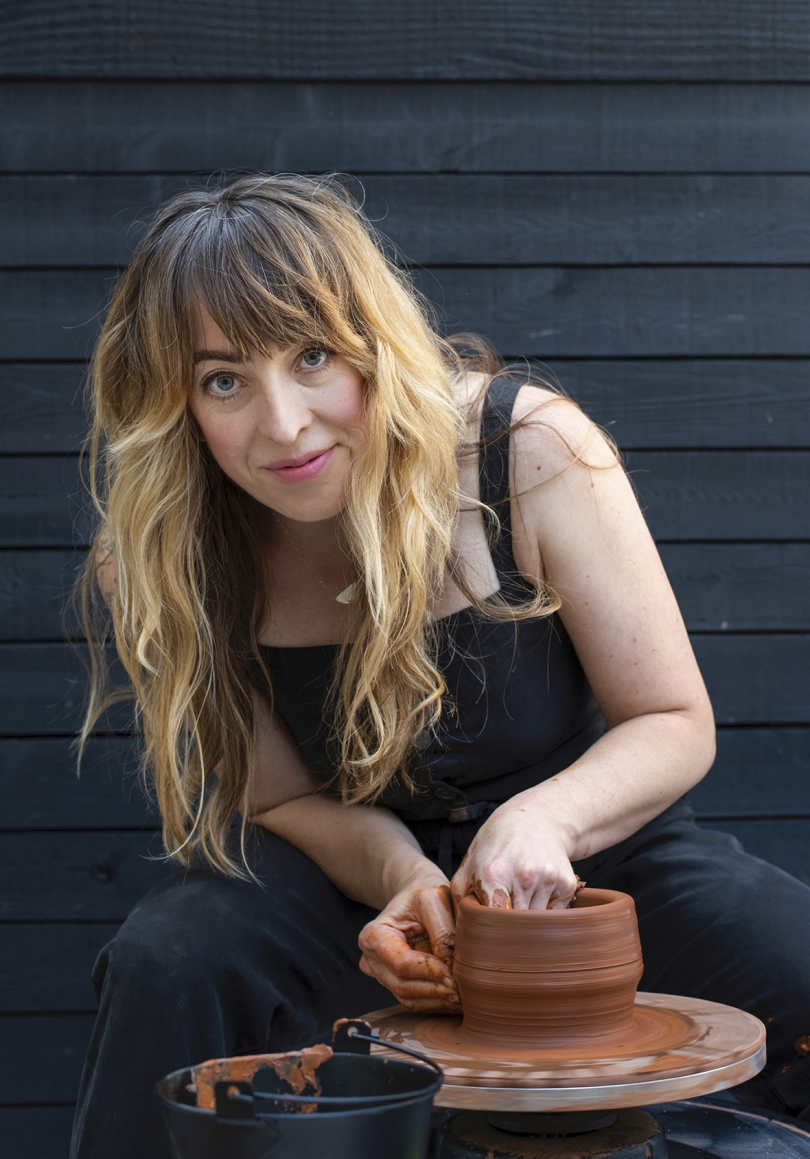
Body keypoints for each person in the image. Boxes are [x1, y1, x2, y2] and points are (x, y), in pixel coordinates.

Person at [70, 174, 810, 1159]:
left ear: (373, 339)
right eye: (223, 379)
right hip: (341, 876)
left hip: (585, 844)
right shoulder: (157, 554)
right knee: (168, 962)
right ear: (174, 400)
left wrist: (540, 819)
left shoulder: (524, 448)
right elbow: (280, 799)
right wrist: (403, 875)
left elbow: (674, 721)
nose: (284, 423)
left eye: (314, 355)